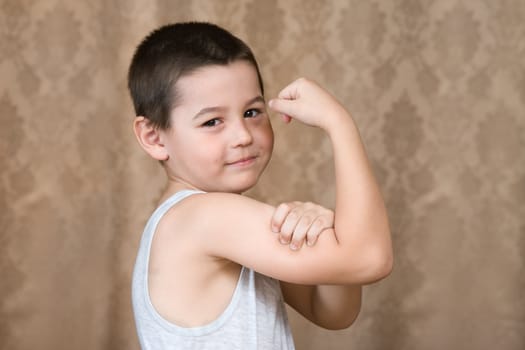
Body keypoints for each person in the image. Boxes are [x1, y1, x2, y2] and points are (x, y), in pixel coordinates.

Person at [128, 21, 393, 349]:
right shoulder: (205, 216)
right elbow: (370, 258)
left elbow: (332, 312)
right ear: (154, 137)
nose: (243, 136)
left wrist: (326, 226)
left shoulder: (213, 222)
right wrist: (340, 125)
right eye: (212, 121)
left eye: (252, 111)